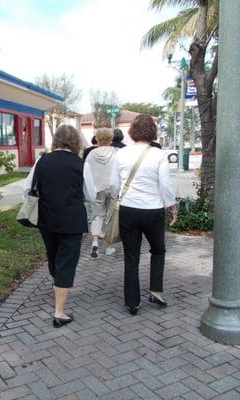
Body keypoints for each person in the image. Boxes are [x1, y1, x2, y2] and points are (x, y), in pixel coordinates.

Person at [23, 125, 96, 328]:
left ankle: (58, 286)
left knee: (53, 256)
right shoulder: (81, 164)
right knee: (67, 262)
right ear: (75, 142)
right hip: (72, 220)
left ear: (55, 140)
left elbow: (27, 188)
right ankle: (59, 312)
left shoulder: (42, 160)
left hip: (46, 219)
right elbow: (90, 195)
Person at [109, 114, 177, 316]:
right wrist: (171, 206)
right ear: (152, 132)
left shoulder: (120, 154)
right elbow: (165, 185)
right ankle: (156, 290)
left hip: (128, 210)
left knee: (131, 257)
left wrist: (119, 197)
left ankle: (132, 302)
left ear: (132, 131)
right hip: (153, 210)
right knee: (158, 250)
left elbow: (114, 184)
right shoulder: (159, 155)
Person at [85, 128, 118, 258]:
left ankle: (95, 242)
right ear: (111, 138)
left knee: (97, 216)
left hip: (96, 189)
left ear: (97, 138)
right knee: (111, 217)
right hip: (113, 188)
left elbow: (86, 172)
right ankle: (110, 246)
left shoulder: (91, 154)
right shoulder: (116, 153)